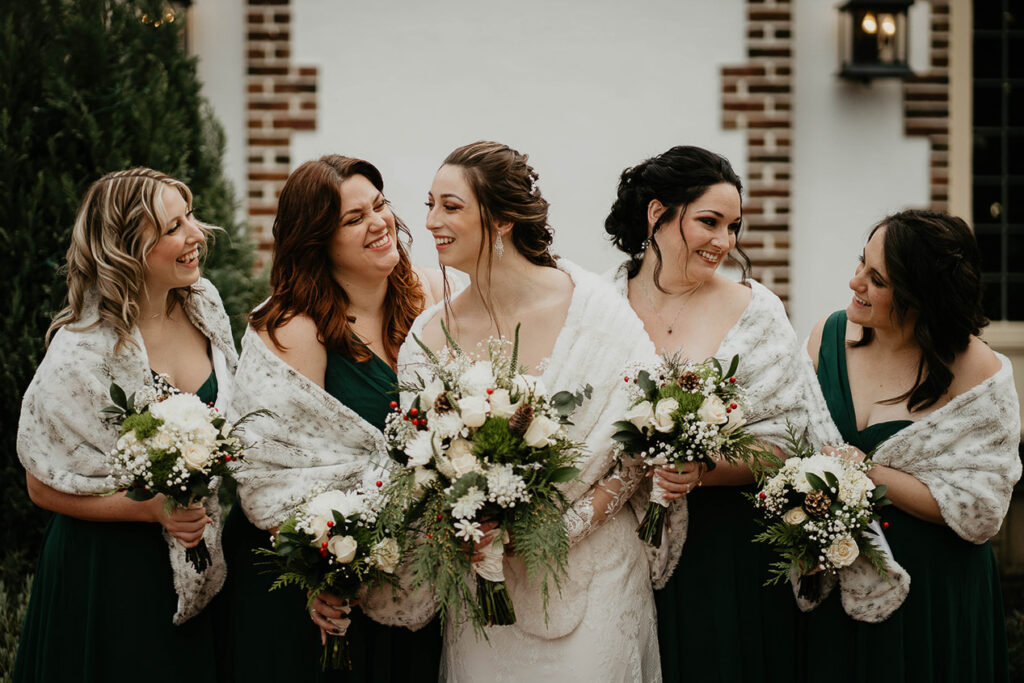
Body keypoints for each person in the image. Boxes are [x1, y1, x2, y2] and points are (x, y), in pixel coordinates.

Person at [388, 141, 660, 681]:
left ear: (503, 220)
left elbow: (634, 451)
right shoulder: (427, 336)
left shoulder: (596, 311)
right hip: (484, 592)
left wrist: (555, 532)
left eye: (451, 206)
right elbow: (418, 460)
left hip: (594, 577)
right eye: (430, 204)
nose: (431, 221)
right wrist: (473, 529)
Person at [223, 155, 445, 681]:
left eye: (381, 204)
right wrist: (323, 570)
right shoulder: (293, 328)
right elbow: (271, 474)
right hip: (312, 589)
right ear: (317, 239)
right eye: (353, 218)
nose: (379, 222)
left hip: (416, 567)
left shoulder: (428, 299)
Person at [604, 145, 818, 682]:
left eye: (734, 226)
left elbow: (791, 442)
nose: (725, 242)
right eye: (709, 222)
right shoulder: (599, 305)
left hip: (726, 551)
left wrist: (702, 468)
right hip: (618, 545)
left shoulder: (756, 311)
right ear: (657, 214)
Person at [14, 168, 234, 683]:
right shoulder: (81, 350)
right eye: (174, 227)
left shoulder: (204, 303)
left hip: (197, 552)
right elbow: (40, 485)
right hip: (106, 568)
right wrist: (149, 509)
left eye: (191, 217)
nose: (197, 234)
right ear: (127, 248)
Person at [801, 209, 1020, 682]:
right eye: (861, 263)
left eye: (876, 278)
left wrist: (868, 472)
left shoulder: (980, 373)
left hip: (933, 592)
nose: (855, 281)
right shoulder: (828, 336)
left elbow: (981, 510)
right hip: (835, 577)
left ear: (921, 295)